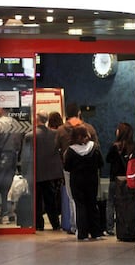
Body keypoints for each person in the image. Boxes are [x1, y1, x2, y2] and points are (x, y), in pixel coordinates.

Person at [56, 102, 99, 234]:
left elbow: (56, 149)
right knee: (91, 200)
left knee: (73, 199)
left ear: (66, 114)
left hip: (71, 171)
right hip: (90, 171)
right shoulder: (89, 128)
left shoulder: (61, 130)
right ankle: (94, 229)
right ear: (79, 113)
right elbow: (97, 149)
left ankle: (76, 227)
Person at [23, 110, 63, 231]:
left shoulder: (30, 136)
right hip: (50, 173)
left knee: (36, 200)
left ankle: (39, 225)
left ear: (37, 119)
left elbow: (26, 157)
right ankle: (55, 224)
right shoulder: (54, 134)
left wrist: (25, 172)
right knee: (50, 200)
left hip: (35, 172)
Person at [63, 124, 104, 240]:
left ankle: (83, 234)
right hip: (92, 180)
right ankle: (96, 233)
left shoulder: (71, 151)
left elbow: (67, 167)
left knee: (80, 206)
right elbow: (101, 163)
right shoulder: (94, 147)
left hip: (77, 181)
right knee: (92, 205)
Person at [0, 107, 23, 224]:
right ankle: (5, 214)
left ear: (0, 109)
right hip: (12, 158)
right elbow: (18, 143)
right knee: (6, 188)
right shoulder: (16, 124)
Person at [105, 122, 135, 236]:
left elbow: (108, 159)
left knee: (111, 202)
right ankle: (127, 224)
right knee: (127, 202)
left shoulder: (115, 146)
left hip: (115, 178)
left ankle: (110, 227)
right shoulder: (133, 146)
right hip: (128, 178)